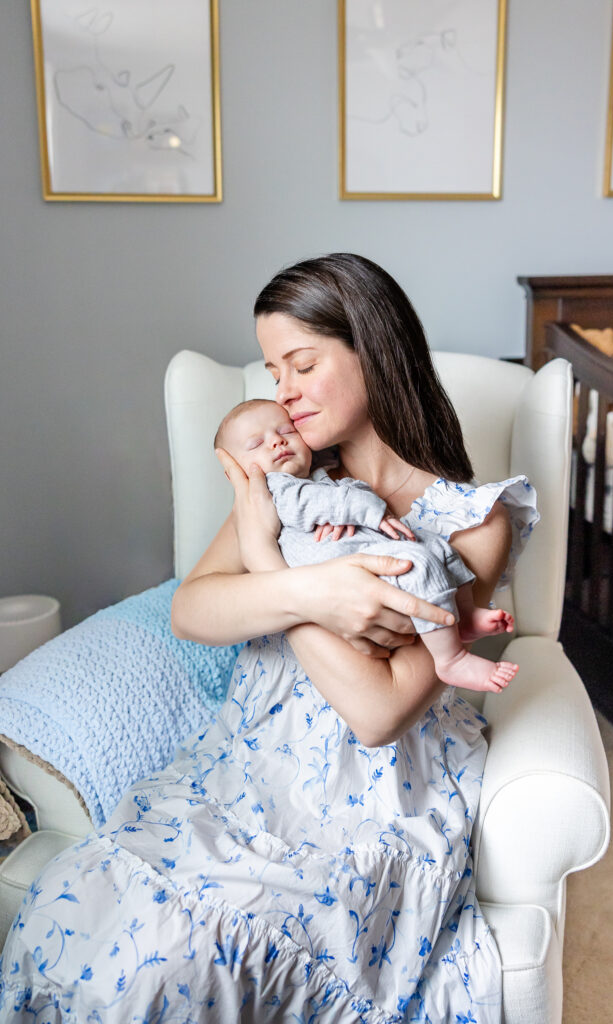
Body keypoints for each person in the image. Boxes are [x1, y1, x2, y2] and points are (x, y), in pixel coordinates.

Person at [0, 254, 538, 1023]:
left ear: (373, 351)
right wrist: (310, 586)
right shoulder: (284, 485)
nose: (280, 391)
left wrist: (266, 569)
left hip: (371, 798)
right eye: (272, 369)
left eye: (302, 364)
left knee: (189, 962)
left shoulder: (469, 521)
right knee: (79, 917)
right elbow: (194, 610)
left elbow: (377, 713)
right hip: (246, 767)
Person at [214, 397, 531, 694]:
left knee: (437, 548)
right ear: (236, 472)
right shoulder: (270, 489)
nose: (277, 441)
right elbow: (311, 503)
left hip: (363, 553)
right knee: (417, 564)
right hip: (353, 571)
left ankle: (461, 615)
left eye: (286, 431)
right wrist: (360, 509)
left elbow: (344, 492)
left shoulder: (316, 476)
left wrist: (347, 500)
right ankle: (450, 659)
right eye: (257, 444)